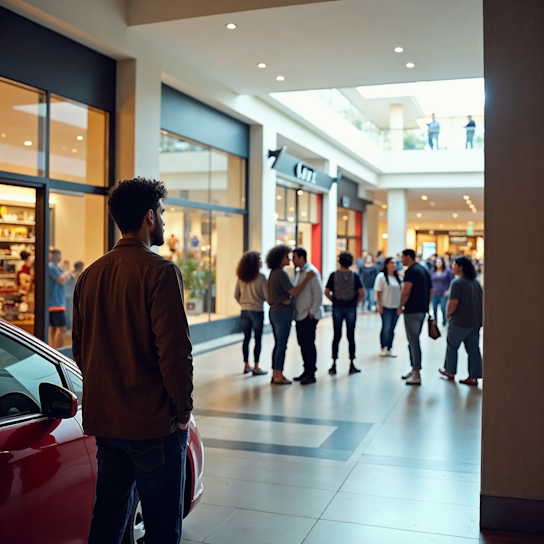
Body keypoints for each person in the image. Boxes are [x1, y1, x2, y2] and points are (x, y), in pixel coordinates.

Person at [73, 177, 193, 544]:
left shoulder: (89, 274)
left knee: (108, 518)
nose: (164, 221)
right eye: (162, 213)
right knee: (161, 526)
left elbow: (81, 349)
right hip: (152, 423)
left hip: (108, 421)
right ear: (149, 218)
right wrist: (182, 409)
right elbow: (174, 352)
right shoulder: (160, 271)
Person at [266, 245, 314, 385]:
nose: (289, 259)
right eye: (287, 256)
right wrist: (306, 279)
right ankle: (278, 375)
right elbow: (293, 291)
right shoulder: (280, 273)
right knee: (281, 345)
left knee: (278, 345)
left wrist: (283, 299)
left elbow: (272, 296)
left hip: (275, 312)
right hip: (282, 314)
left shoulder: (273, 273)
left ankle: (276, 373)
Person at [439, 257, 483, 386]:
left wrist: (448, 315)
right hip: (474, 321)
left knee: (452, 346)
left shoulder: (457, 283)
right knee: (473, 349)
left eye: (454, 264)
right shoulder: (476, 282)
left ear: (460, 267)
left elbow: (453, 303)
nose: (452, 267)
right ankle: (474, 377)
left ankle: (450, 371)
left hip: (459, 321)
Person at [325, 251, 364, 375]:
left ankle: (334, 364)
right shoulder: (355, 275)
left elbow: (326, 292)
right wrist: (355, 303)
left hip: (337, 307)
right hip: (351, 307)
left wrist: (334, 301)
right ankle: (352, 363)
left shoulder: (333, 275)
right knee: (350, 336)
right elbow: (362, 293)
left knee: (336, 335)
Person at [398, 249, 433, 385]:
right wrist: (426, 303)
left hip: (412, 310)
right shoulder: (424, 270)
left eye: (402, 257)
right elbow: (431, 290)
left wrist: (400, 306)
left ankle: (417, 373)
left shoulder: (411, 271)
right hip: (422, 310)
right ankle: (414, 369)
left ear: (408, 257)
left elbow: (406, 291)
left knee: (414, 342)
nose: (401, 260)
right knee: (413, 341)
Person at [292, 247, 323, 385]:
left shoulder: (312, 272)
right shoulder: (300, 272)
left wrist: (312, 312)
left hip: (308, 315)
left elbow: (318, 295)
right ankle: (306, 370)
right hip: (300, 314)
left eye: (294, 257)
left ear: (301, 258)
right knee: (303, 344)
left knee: (308, 344)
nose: (293, 260)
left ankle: (311, 373)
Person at [234, 251, 268, 376]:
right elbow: (266, 296)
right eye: (259, 259)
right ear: (255, 262)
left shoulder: (241, 277)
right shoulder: (262, 277)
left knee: (246, 339)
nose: (261, 262)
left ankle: (246, 365)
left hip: (244, 311)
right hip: (257, 311)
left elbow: (236, 295)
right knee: (257, 339)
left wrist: (244, 304)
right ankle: (256, 367)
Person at [374, 257, 402, 357]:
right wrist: (379, 305)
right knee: (386, 328)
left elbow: (401, 292)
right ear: (386, 264)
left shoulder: (398, 277)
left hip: (396, 306)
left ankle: (390, 348)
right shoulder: (381, 277)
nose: (394, 265)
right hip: (386, 306)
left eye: (395, 263)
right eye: (391, 263)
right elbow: (378, 291)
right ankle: (383, 347)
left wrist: (400, 306)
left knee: (392, 329)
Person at [48, 249, 71, 349]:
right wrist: (66, 272)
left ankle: (52, 349)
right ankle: (58, 352)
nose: (60, 257)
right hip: (56, 304)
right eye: (59, 255)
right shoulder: (52, 267)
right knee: (62, 329)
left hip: (54, 303)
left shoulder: (54, 268)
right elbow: (61, 280)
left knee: (53, 329)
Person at [431, 257, 454, 327]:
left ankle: (444, 322)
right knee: (434, 309)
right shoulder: (432, 271)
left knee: (443, 309)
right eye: (437, 262)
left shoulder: (447, 271)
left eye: (439, 262)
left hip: (443, 294)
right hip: (434, 294)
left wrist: (449, 291)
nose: (438, 264)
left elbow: (452, 281)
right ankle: (435, 322)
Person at [65, 261, 84, 331]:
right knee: (70, 312)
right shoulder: (75, 275)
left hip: (68, 295)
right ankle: (70, 327)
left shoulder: (71, 274)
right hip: (70, 296)